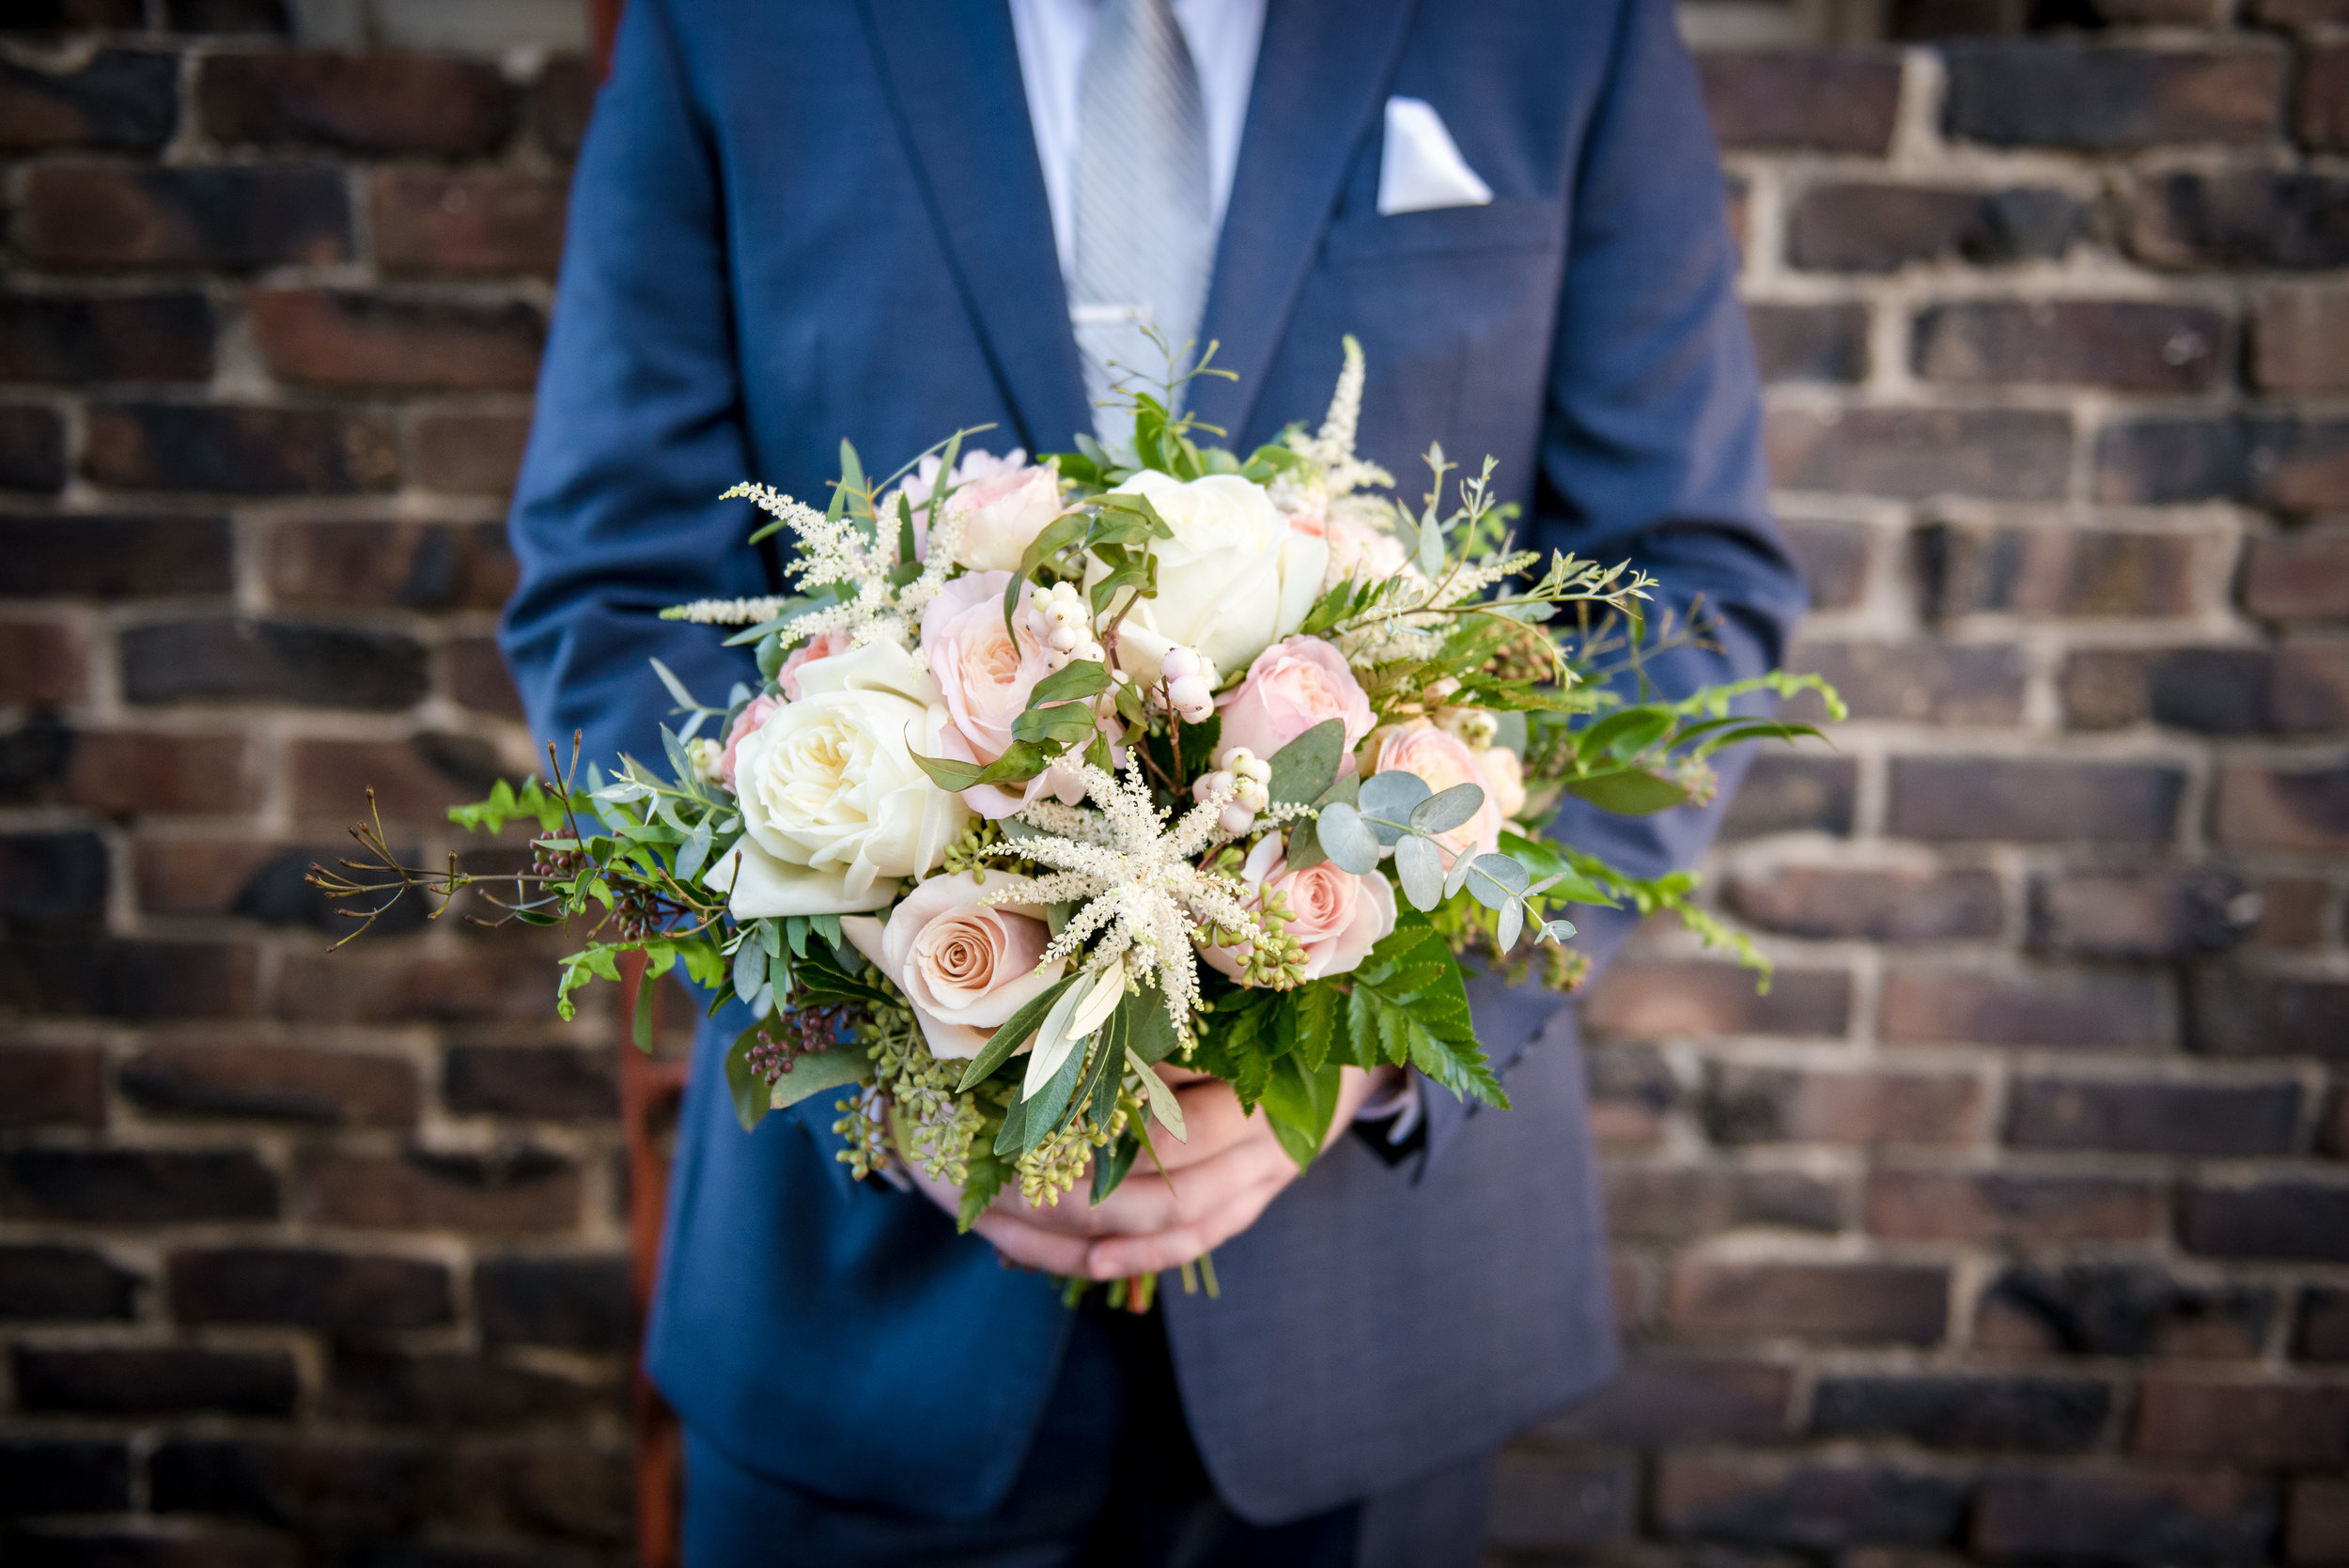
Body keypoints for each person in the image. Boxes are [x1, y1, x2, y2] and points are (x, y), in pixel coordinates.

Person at [501, 0, 1806, 1562]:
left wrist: (1367, 1043)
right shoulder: (732, 28)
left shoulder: (1560, 28)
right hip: (862, 1316)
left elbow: (1687, 593)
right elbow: (611, 588)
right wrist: (884, 1044)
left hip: (1365, 1324)